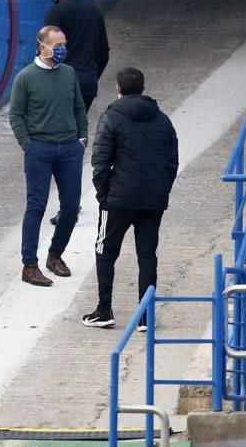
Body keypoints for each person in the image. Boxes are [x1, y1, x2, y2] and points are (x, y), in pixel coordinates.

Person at [81, 67, 178, 331]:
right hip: (153, 201)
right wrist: (161, 190)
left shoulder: (111, 117)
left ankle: (104, 310)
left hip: (119, 199)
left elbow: (100, 161)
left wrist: (104, 195)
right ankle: (146, 317)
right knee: (147, 256)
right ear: (144, 89)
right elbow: (172, 162)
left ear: (119, 89)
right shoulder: (163, 120)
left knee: (105, 251)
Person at [9, 25, 88, 288]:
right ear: (42, 47)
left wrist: (81, 138)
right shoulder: (25, 77)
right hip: (39, 150)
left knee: (70, 207)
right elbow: (16, 114)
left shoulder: (69, 73)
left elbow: (79, 107)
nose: (62, 49)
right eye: (57, 45)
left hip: (69, 149)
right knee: (36, 206)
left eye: (64, 44)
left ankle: (55, 255)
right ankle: (29, 265)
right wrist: (28, 145)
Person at [42, 0, 109, 227]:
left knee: (60, 143)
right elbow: (103, 53)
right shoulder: (94, 12)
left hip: (62, 82)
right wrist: (90, 76)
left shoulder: (56, 12)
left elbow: (49, 51)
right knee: (75, 138)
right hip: (87, 82)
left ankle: (68, 206)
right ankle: (70, 202)